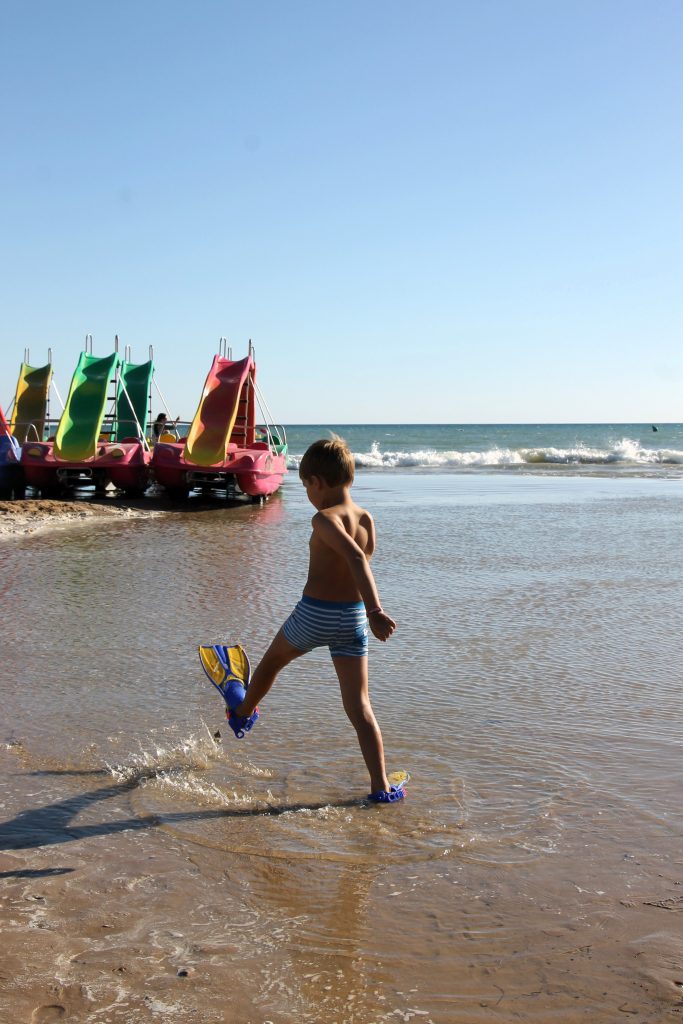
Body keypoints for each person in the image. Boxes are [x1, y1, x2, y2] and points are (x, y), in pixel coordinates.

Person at [233, 436, 402, 802]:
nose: (307, 493)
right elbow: (362, 562)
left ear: (317, 483)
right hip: (351, 620)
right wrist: (366, 613)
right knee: (360, 708)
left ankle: (242, 712)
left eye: (305, 485)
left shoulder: (323, 518)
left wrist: (376, 609)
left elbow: (355, 558)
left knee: (273, 661)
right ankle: (380, 787)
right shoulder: (367, 518)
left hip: (316, 614)